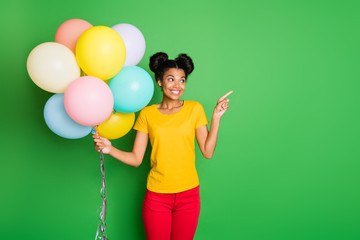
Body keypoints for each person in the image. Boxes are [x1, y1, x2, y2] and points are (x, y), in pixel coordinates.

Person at [93, 52, 232, 240]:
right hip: (157, 197)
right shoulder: (147, 114)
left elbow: (207, 152)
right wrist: (110, 149)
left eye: (182, 80)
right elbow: (136, 159)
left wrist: (216, 117)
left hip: (189, 196)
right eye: (171, 79)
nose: (177, 85)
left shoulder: (195, 109)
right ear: (159, 81)